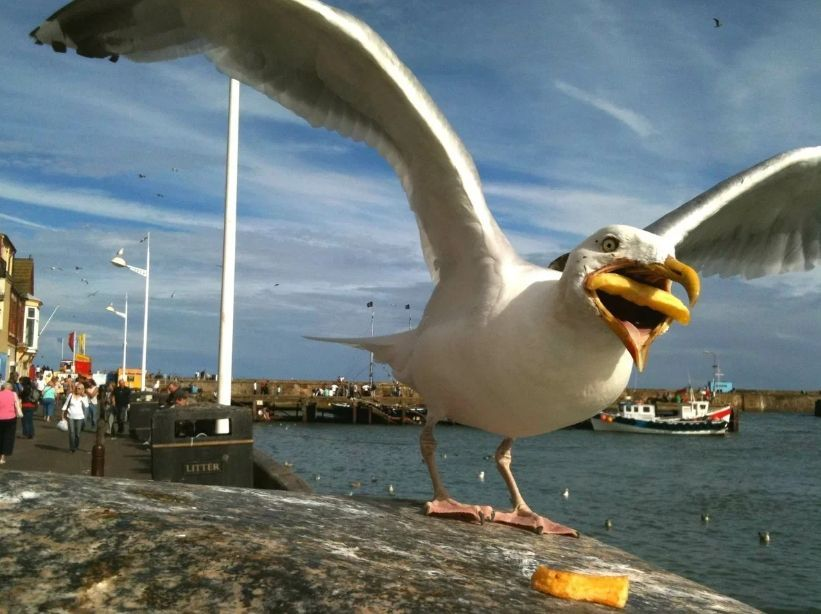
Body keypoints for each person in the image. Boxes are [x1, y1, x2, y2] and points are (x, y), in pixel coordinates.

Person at [62, 381, 89, 453]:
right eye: (77, 388)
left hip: (80, 417)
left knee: (78, 434)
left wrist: (84, 397)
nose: (78, 390)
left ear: (83, 389)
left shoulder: (83, 397)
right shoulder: (71, 395)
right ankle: (72, 447)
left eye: (80, 389)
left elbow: (86, 406)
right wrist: (62, 416)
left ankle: (76, 445)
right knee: (71, 432)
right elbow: (65, 405)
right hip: (70, 416)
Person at [0, 382, 22, 464]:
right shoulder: (13, 394)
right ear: (10, 388)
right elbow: (17, 405)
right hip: (11, 418)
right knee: (8, 437)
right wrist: (19, 413)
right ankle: (3, 457)